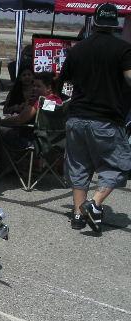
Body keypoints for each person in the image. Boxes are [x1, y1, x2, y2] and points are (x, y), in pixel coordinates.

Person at [58, 3, 131, 233]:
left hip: (77, 116)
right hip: (107, 119)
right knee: (118, 165)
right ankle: (94, 203)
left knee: (79, 166)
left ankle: (78, 214)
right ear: (115, 24)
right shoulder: (123, 49)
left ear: (95, 22)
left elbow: (63, 83)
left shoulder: (78, 49)